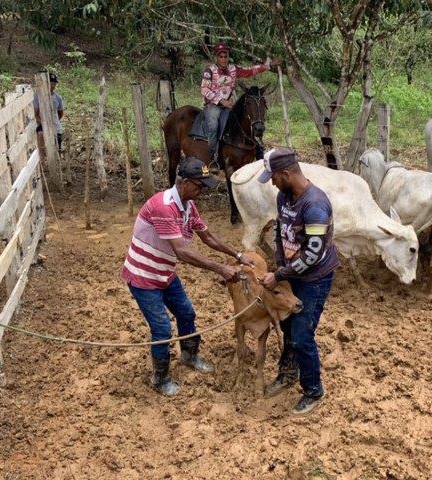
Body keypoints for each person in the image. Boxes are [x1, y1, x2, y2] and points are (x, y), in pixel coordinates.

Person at [121, 157, 252, 396]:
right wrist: (220, 268)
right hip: (144, 277)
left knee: (187, 313)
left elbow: (208, 238)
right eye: (200, 186)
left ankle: (189, 356)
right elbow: (182, 252)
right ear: (187, 183)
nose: (202, 191)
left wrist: (238, 254)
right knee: (161, 329)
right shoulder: (163, 206)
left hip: (165, 273)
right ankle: (160, 379)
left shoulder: (188, 207)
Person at [257, 147, 340, 415]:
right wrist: (280, 263)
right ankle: (288, 372)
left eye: (273, 177)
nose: (271, 182)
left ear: (287, 173)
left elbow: (313, 254)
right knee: (289, 327)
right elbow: (281, 230)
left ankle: (313, 390)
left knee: (303, 335)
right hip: (293, 272)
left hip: (314, 278)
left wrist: (280, 275)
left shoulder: (315, 205)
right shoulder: (284, 196)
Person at [200, 42, 280, 168]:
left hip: (230, 105)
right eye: (220, 56)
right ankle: (213, 158)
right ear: (216, 57)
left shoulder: (233, 69)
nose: (223, 59)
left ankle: (256, 148)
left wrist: (268, 66)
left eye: (225, 56)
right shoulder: (209, 71)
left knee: (244, 123)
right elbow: (204, 90)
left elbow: (250, 71)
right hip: (213, 105)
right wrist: (221, 101)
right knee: (214, 126)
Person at [33, 72, 64, 165]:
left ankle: (56, 162)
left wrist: (53, 122)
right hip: (42, 123)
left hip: (55, 125)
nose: (53, 85)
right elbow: (35, 114)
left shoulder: (58, 98)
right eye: (51, 83)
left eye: (54, 83)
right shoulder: (37, 96)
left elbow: (60, 113)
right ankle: (42, 161)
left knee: (57, 145)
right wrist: (43, 123)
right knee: (41, 135)